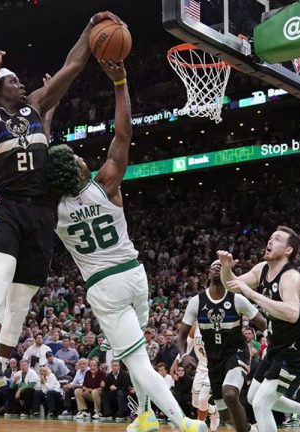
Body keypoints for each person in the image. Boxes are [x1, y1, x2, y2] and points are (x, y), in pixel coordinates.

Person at [0, 10, 126, 427]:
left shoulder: (36, 107)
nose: (23, 86)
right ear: (0, 88)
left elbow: (73, 66)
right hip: (7, 206)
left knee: (19, 304)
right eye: (14, 82)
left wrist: (90, 26)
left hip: (41, 213)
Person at [48, 58, 207, 432]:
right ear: (76, 170)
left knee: (137, 363)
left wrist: (50, 109)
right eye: (74, 156)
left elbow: (41, 161)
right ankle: (145, 416)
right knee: (138, 354)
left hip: (105, 286)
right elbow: (123, 134)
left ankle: (184, 422)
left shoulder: (51, 209)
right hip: (136, 276)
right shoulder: (106, 183)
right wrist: (119, 80)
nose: (78, 154)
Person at [218, 227, 300, 432]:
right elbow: (231, 285)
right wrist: (226, 268)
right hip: (276, 347)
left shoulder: (291, 278)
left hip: (296, 350)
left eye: (277, 239)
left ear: (288, 250)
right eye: (270, 237)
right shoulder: (262, 269)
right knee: (253, 397)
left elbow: (291, 313)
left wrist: (252, 295)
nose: (270, 241)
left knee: (262, 403)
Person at [179, 260, 267, 432]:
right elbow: (182, 336)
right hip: (214, 361)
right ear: (208, 274)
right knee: (226, 416)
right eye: (214, 267)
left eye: (223, 268)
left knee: (230, 393)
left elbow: (263, 323)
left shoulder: (238, 299)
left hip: (236, 353)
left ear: (228, 275)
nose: (218, 269)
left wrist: (272, 343)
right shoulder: (196, 302)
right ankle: (250, 430)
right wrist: (183, 355)